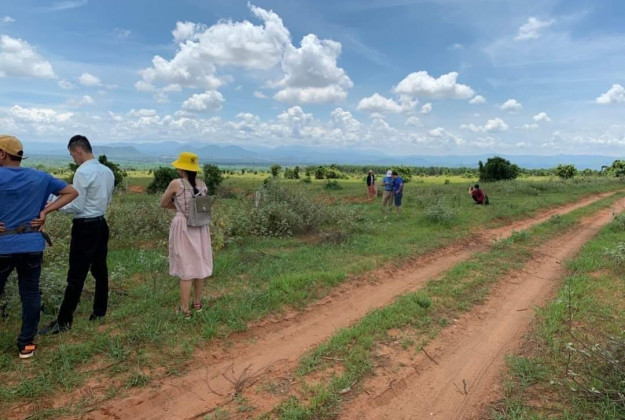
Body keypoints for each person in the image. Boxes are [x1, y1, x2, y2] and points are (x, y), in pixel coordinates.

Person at [0, 135, 78, 358]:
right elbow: (72, 191)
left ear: (2, 154)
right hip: (32, 244)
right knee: (30, 293)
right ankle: (26, 344)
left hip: (3, 246)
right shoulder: (40, 177)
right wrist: (45, 211)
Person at [40, 135, 115, 335]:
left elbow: (76, 205)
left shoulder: (82, 172)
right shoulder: (107, 171)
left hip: (85, 228)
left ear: (77, 150)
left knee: (76, 275)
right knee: (100, 270)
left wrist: (55, 204)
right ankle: (99, 311)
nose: (73, 159)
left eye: (72, 155)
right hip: (101, 224)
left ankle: (64, 321)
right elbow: (107, 198)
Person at [160, 152, 213, 319]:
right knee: (198, 265)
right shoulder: (202, 184)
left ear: (182, 169)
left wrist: (178, 207)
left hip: (183, 225)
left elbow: (163, 203)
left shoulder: (176, 183)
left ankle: (185, 309)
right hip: (200, 226)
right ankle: (197, 304)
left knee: (186, 268)